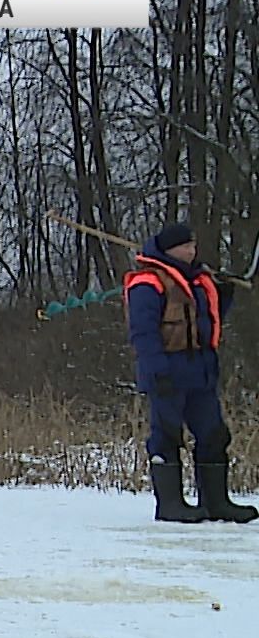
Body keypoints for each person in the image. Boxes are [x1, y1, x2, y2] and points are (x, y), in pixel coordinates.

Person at [124, 222, 256, 524]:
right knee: (167, 435)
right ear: (171, 249)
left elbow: (207, 321)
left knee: (213, 433)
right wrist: (156, 370)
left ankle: (216, 502)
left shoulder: (197, 279)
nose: (192, 251)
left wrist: (224, 292)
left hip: (200, 369)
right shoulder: (148, 282)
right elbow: (143, 331)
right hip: (167, 369)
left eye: (193, 246)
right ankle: (170, 504)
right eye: (186, 246)